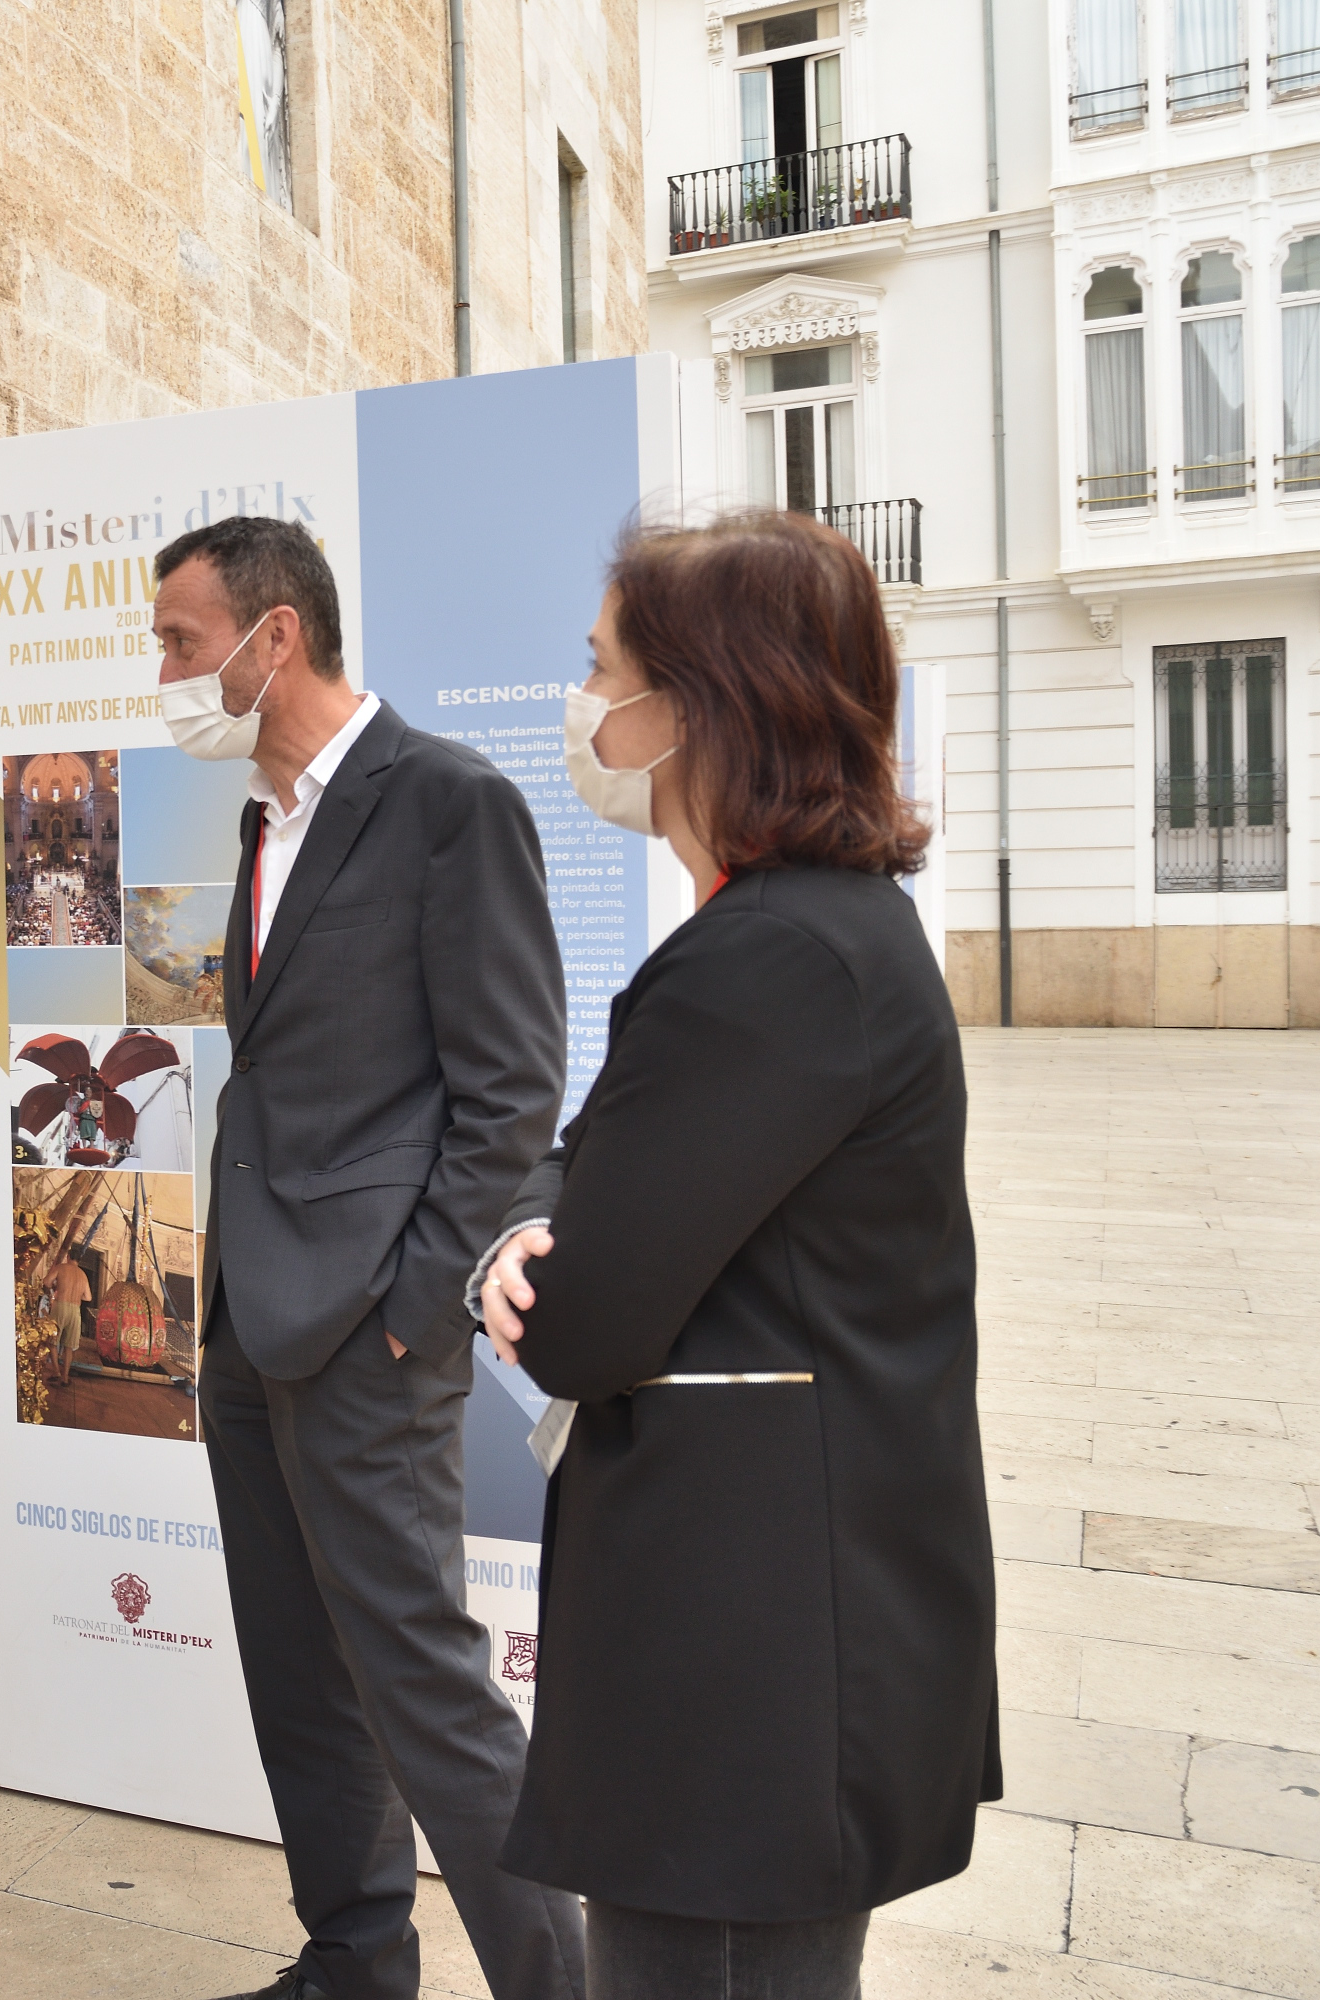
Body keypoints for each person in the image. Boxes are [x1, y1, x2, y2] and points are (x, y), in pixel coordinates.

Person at [474, 511, 997, 1999]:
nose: (585, 708)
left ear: (696, 708)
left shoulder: (768, 960)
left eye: (603, 673)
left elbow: (581, 1318)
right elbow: (613, 1162)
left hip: (743, 1657)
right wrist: (549, 1215)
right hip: (787, 1626)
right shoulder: (822, 934)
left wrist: (528, 1255)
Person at [153, 516, 581, 2000]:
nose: (165, 669)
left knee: (424, 1693)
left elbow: (513, 1088)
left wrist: (412, 1315)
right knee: (298, 1672)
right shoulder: (269, 817)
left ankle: (557, 1980)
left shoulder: (447, 800)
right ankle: (354, 1958)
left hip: (365, 1338)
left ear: (275, 640)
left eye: (181, 640)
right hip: (250, 1327)